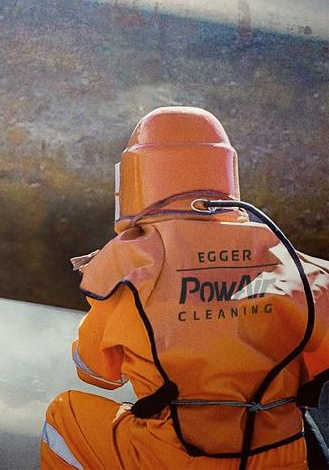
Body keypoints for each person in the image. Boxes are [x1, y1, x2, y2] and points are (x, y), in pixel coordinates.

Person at [40, 106, 329, 469]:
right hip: (283, 457)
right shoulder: (290, 260)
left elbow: (96, 373)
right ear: (225, 172)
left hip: (177, 457)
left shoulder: (130, 267)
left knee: (63, 415)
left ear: (133, 178)